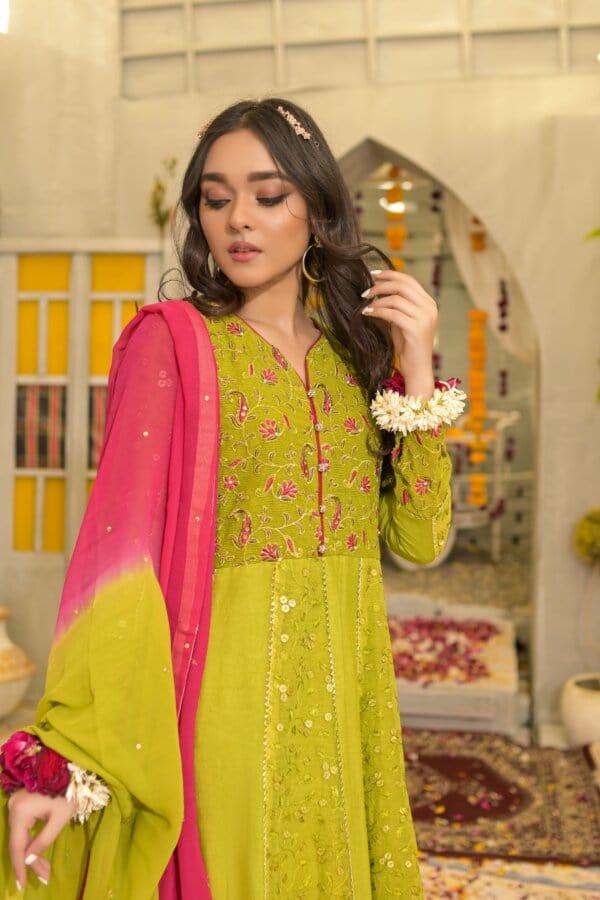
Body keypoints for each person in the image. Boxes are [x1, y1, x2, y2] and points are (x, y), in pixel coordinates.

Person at [0, 97, 466, 898]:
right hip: (224, 707)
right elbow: (119, 555)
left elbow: (421, 542)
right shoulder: (172, 343)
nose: (238, 220)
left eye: (268, 195)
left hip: (349, 707)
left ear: (318, 210)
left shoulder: (353, 361)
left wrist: (416, 367)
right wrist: (68, 754)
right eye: (216, 199)